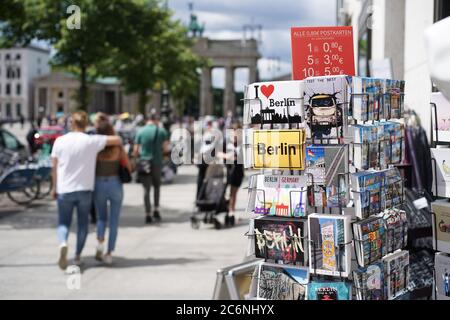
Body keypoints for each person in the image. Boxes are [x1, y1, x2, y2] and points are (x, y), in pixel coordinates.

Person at [51, 111, 122, 270]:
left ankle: (63, 242)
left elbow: (54, 168)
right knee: (83, 224)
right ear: (85, 124)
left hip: (64, 188)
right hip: (85, 189)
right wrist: (104, 125)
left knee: (63, 222)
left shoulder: (60, 141)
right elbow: (117, 139)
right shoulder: (91, 140)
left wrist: (54, 187)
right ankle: (77, 256)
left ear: (71, 124)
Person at [93, 114, 131, 265]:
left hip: (99, 183)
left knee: (101, 217)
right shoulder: (118, 147)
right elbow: (128, 165)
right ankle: (109, 253)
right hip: (115, 183)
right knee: (114, 220)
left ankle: (100, 244)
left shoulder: (96, 148)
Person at [134, 111, 169, 224]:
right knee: (157, 187)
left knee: (146, 189)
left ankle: (147, 214)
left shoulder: (140, 131)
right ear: (157, 120)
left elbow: (136, 151)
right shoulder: (162, 131)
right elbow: (166, 148)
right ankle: (156, 210)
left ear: (147, 120)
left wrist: (140, 158)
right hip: (157, 162)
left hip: (145, 163)